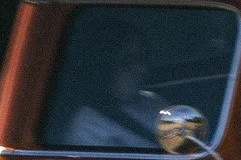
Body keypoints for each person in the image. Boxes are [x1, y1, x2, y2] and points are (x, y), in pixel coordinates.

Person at [63, 20, 165, 148]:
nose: (142, 69)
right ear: (106, 67)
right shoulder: (87, 125)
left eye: (142, 59)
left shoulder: (153, 100)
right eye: (128, 62)